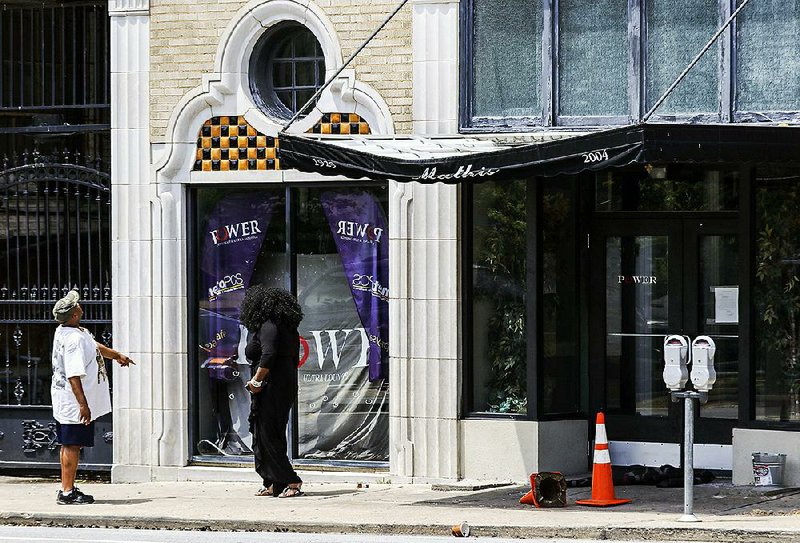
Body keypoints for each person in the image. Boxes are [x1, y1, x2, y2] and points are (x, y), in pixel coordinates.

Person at [50, 290, 135, 504]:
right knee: (72, 445)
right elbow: (73, 375)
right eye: (76, 305)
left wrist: (116, 355)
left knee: (68, 444)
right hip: (72, 402)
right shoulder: (74, 341)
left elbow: (95, 346)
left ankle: (66, 488)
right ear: (74, 315)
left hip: (66, 400)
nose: (79, 305)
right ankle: (67, 492)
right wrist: (83, 405)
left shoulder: (70, 331)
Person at [240, 285, 304, 498]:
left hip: (271, 384)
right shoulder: (287, 327)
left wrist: (256, 381)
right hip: (281, 383)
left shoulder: (269, 326)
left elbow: (268, 355)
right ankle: (273, 482)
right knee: (270, 432)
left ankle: (290, 480)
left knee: (268, 432)